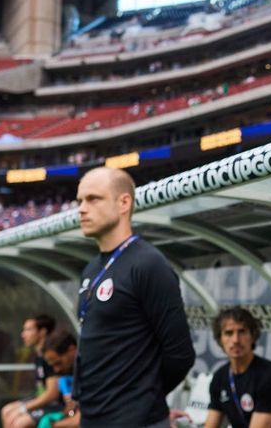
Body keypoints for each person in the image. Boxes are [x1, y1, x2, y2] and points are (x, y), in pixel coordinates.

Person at [74, 167, 195, 427]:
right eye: (80, 201)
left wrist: (143, 399)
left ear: (124, 203)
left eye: (93, 199)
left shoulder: (148, 264)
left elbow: (180, 353)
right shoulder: (91, 269)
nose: (82, 209)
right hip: (93, 419)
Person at [203, 307, 271, 428]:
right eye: (229, 333)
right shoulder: (220, 377)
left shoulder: (269, 375)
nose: (236, 340)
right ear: (220, 339)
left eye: (242, 332)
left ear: (253, 336)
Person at [1, 314, 60, 428]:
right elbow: (41, 390)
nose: (23, 334)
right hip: (42, 400)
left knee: (19, 422)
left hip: (55, 406)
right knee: (6, 410)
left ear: (42, 332)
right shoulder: (38, 356)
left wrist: (24, 408)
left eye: (28, 330)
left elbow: (52, 393)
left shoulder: (50, 356)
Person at [38, 330, 79, 428]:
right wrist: (71, 410)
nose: (56, 370)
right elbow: (72, 413)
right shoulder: (67, 376)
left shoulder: (89, 372)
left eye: (58, 363)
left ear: (72, 350)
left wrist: (53, 425)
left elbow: (81, 420)